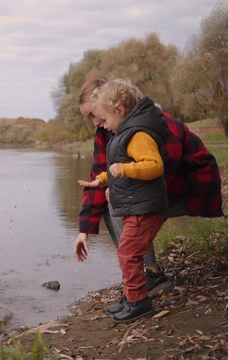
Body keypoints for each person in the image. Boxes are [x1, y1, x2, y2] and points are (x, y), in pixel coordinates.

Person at [74, 79, 173, 300]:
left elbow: (164, 164)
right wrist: (83, 230)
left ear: (113, 108)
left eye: (95, 115)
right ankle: (137, 277)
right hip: (148, 192)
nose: (95, 122)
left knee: (117, 202)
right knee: (111, 196)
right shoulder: (108, 132)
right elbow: (100, 174)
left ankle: (149, 275)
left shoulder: (142, 126)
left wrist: (122, 180)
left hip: (173, 185)